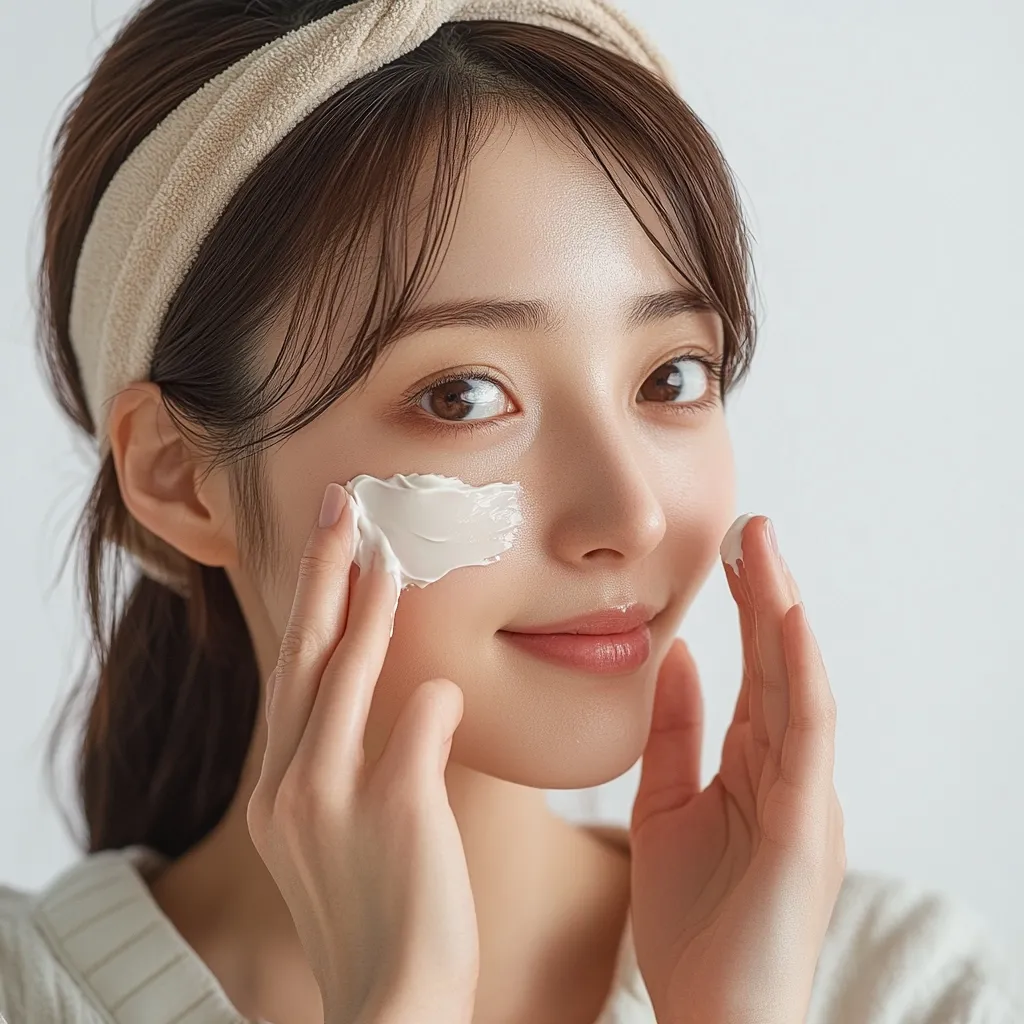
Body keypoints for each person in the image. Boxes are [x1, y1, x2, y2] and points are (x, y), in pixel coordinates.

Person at [0, 1, 1019, 1022]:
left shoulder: (899, 991)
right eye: (463, 396)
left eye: (670, 375)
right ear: (182, 475)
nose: (631, 515)